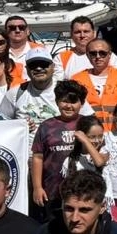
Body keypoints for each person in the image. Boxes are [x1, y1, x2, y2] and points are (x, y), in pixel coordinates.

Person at [31, 79, 91, 212]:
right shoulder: (46, 126)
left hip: (84, 192)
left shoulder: (89, 124)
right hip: (52, 192)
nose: (68, 106)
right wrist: (37, 187)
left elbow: (100, 154)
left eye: (73, 102)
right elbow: (38, 157)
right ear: (57, 102)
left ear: (82, 103)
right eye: (64, 101)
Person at [0, 47, 90, 132]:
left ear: (53, 67)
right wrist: (18, 127)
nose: (38, 68)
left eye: (43, 64)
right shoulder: (15, 93)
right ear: (27, 69)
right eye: (33, 65)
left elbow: (89, 121)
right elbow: (2, 125)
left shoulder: (68, 90)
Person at [72, 38, 117, 125]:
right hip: (89, 130)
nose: (98, 57)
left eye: (102, 53)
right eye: (93, 53)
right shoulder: (76, 79)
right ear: (87, 55)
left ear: (109, 55)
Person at [54, 15, 117, 80]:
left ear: (94, 33)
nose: (82, 35)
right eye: (77, 32)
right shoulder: (61, 58)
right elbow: (56, 83)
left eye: (86, 31)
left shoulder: (109, 56)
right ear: (71, 34)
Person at [62, 115, 109, 197]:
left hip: (102, 202)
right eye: (92, 137)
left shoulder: (104, 152)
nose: (97, 141)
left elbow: (99, 162)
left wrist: (86, 140)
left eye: (100, 136)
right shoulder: (71, 160)